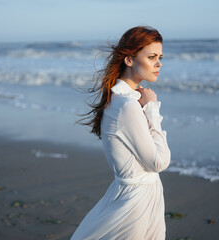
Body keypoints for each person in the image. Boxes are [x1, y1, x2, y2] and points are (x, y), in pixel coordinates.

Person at [72, 26, 171, 240]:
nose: (159, 64)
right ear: (129, 60)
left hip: (138, 196)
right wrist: (152, 110)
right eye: (151, 57)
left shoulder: (121, 99)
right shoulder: (127, 105)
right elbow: (158, 163)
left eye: (160, 57)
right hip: (136, 202)